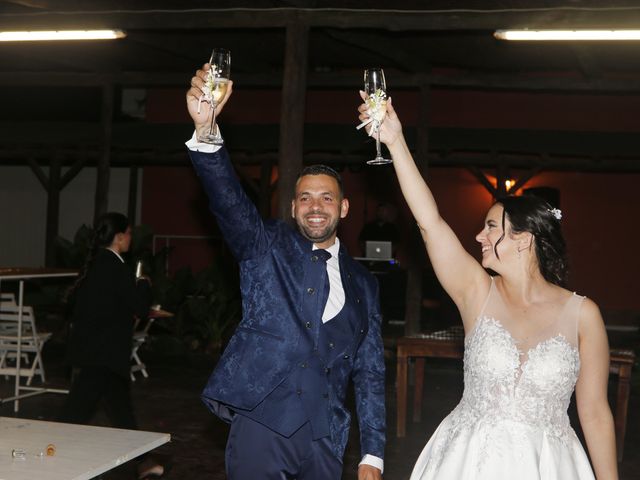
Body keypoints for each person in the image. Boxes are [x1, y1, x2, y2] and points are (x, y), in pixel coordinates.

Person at [358, 96, 618, 479]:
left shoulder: (583, 314)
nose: (479, 235)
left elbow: (594, 412)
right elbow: (430, 222)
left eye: (491, 227)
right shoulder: (476, 292)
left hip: (548, 465)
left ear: (524, 239)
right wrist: (395, 141)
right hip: (468, 460)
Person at [186, 64, 385, 480]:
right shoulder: (265, 246)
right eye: (305, 198)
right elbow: (228, 201)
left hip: (325, 437)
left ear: (343, 208)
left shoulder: (364, 284)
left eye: (327, 198)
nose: (316, 206)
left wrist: (373, 454)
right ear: (293, 208)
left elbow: (369, 371)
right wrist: (207, 132)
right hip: (263, 422)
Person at [60, 213, 162, 479]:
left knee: (118, 410)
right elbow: (139, 307)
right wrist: (144, 285)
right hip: (103, 353)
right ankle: (49, 453)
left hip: (97, 351)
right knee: (80, 411)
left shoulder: (96, 265)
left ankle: (145, 463)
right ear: (118, 237)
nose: (131, 238)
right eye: (128, 233)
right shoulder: (116, 268)